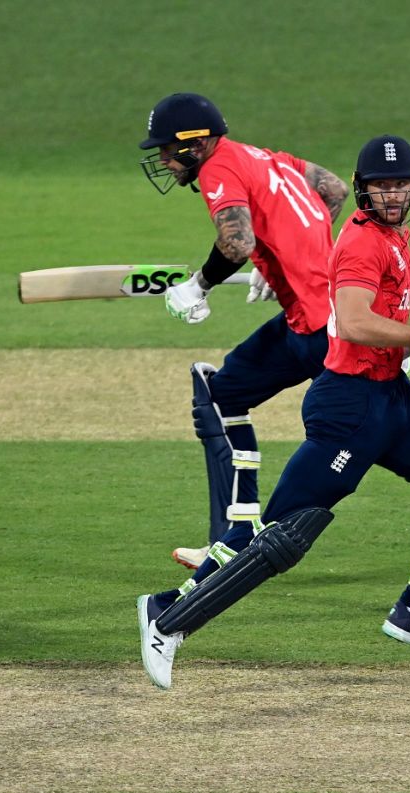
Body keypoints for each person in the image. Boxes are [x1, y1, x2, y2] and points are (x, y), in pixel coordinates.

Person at [138, 134, 410, 690]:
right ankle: (166, 615)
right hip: (348, 408)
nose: (392, 195)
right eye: (381, 187)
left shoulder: (396, 236)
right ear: (363, 191)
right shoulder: (361, 245)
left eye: (401, 185)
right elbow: (351, 323)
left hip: (391, 398)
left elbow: (382, 328)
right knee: (281, 538)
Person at [137, 92, 350, 571]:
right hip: (310, 319)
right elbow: (333, 189)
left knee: (396, 437)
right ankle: (234, 538)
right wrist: (284, 254)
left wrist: (198, 286)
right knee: (222, 395)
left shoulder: (219, 168)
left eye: (168, 150)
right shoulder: (260, 155)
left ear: (195, 144)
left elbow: (235, 243)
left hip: (326, 331)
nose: (165, 160)